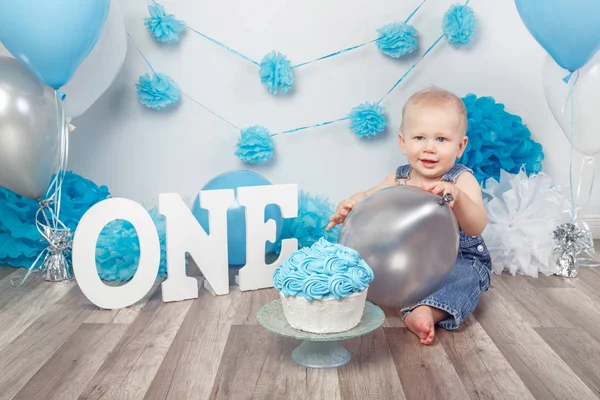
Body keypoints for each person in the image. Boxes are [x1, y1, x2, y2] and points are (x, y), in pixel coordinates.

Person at [326, 87, 492, 345]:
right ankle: (359, 295)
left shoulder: (461, 179)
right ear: (403, 142)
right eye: (419, 138)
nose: (429, 148)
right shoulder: (399, 177)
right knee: (361, 267)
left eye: (441, 140)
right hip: (407, 260)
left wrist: (458, 197)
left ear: (460, 146)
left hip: (455, 259)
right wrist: (350, 205)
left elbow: (476, 225)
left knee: (467, 277)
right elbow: (369, 199)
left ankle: (428, 310)